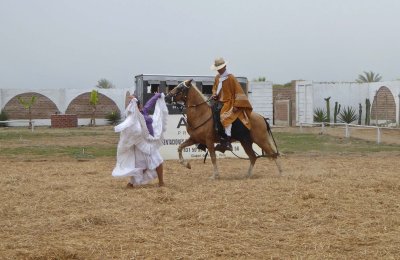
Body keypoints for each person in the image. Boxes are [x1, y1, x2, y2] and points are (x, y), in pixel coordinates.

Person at [112, 92, 168, 187]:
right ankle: (133, 182)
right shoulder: (132, 118)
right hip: (141, 144)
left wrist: (157, 95)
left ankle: (160, 182)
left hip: (150, 142)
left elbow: (150, 103)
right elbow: (128, 129)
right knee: (142, 165)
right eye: (133, 105)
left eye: (136, 105)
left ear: (140, 106)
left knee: (157, 161)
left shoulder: (144, 111)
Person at [210, 57, 253, 152]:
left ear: (224, 66)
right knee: (209, 114)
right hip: (219, 102)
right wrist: (214, 94)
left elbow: (238, 91)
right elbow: (215, 88)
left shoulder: (231, 77)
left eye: (220, 68)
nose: (219, 70)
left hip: (230, 103)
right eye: (218, 68)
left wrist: (236, 105)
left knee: (224, 117)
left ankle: (228, 141)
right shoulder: (217, 77)